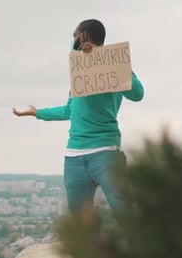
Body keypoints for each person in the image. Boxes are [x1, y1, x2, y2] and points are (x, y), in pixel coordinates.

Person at [13, 19, 144, 216]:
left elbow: (138, 94)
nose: (73, 40)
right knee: (79, 221)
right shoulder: (79, 75)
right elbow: (69, 110)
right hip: (74, 156)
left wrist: (113, 64)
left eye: (75, 36)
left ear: (85, 36)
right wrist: (37, 113)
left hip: (106, 151)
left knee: (124, 211)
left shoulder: (114, 65)